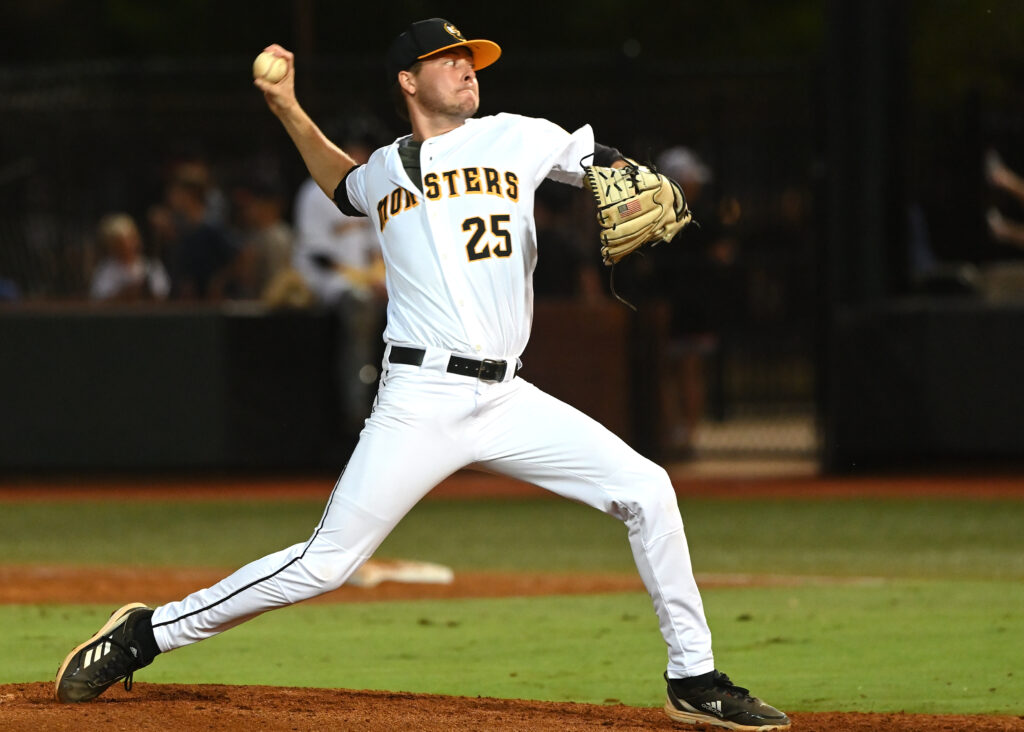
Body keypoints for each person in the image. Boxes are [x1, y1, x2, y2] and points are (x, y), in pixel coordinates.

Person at [54, 19, 789, 731]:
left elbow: (595, 161)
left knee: (647, 489)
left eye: (472, 58)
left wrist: (619, 169)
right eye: (449, 59)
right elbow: (341, 183)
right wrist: (285, 106)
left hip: (505, 396)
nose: (468, 68)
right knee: (325, 564)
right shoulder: (384, 170)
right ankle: (146, 634)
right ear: (410, 80)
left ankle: (693, 679)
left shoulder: (515, 134)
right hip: (420, 398)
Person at [292, 138, 388, 432]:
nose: (360, 156)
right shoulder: (313, 191)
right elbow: (318, 255)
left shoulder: (369, 187)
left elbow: (375, 247)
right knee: (359, 306)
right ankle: (356, 414)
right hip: (326, 280)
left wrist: (376, 277)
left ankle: (391, 407)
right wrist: (363, 279)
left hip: (364, 280)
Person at [89, 213, 171, 302]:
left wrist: (143, 291)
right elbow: (98, 298)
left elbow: (162, 295)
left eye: (130, 239)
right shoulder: (106, 269)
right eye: (119, 243)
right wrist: (124, 293)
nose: (127, 246)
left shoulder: (152, 266)